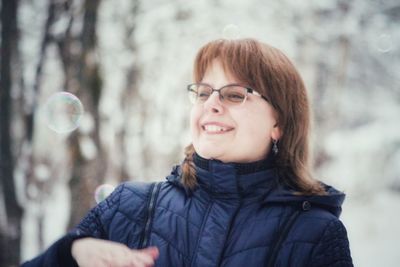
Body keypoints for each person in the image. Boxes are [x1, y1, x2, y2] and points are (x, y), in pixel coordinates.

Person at [22, 38, 353, 267]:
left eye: (235, 94)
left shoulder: (316, 234)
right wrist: (72, 254)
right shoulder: (127, 207)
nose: (211, 104)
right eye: (203, 92)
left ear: (278, 122)